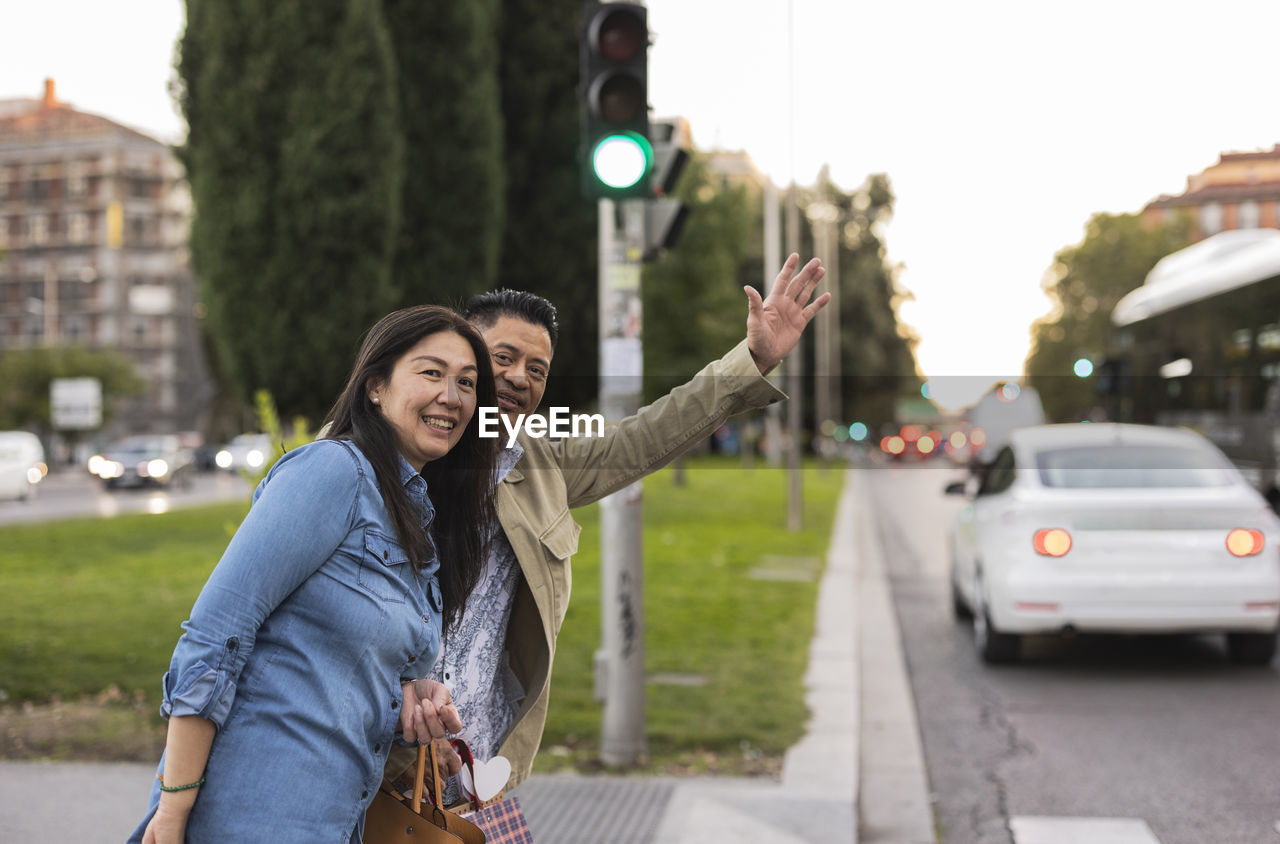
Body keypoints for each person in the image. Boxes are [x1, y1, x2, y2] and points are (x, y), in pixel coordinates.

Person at [395, 253, 829, 796]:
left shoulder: (544, 464)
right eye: (502, 357)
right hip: (383, 766)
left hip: (478, 773)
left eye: (537, 370)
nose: (517, 378)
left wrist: (752, 360)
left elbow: (642, 438)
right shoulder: (386, 460)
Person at [129, 305, 499, 843]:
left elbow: (335, 672)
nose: (453, 396)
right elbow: (214, 636)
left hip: (334, 820)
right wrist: (174, 808)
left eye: (466, 383)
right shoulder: (332, 472)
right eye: (431, 372)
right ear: (375, 387)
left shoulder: (417, 518)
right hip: (248, 814)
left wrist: (408, 711)